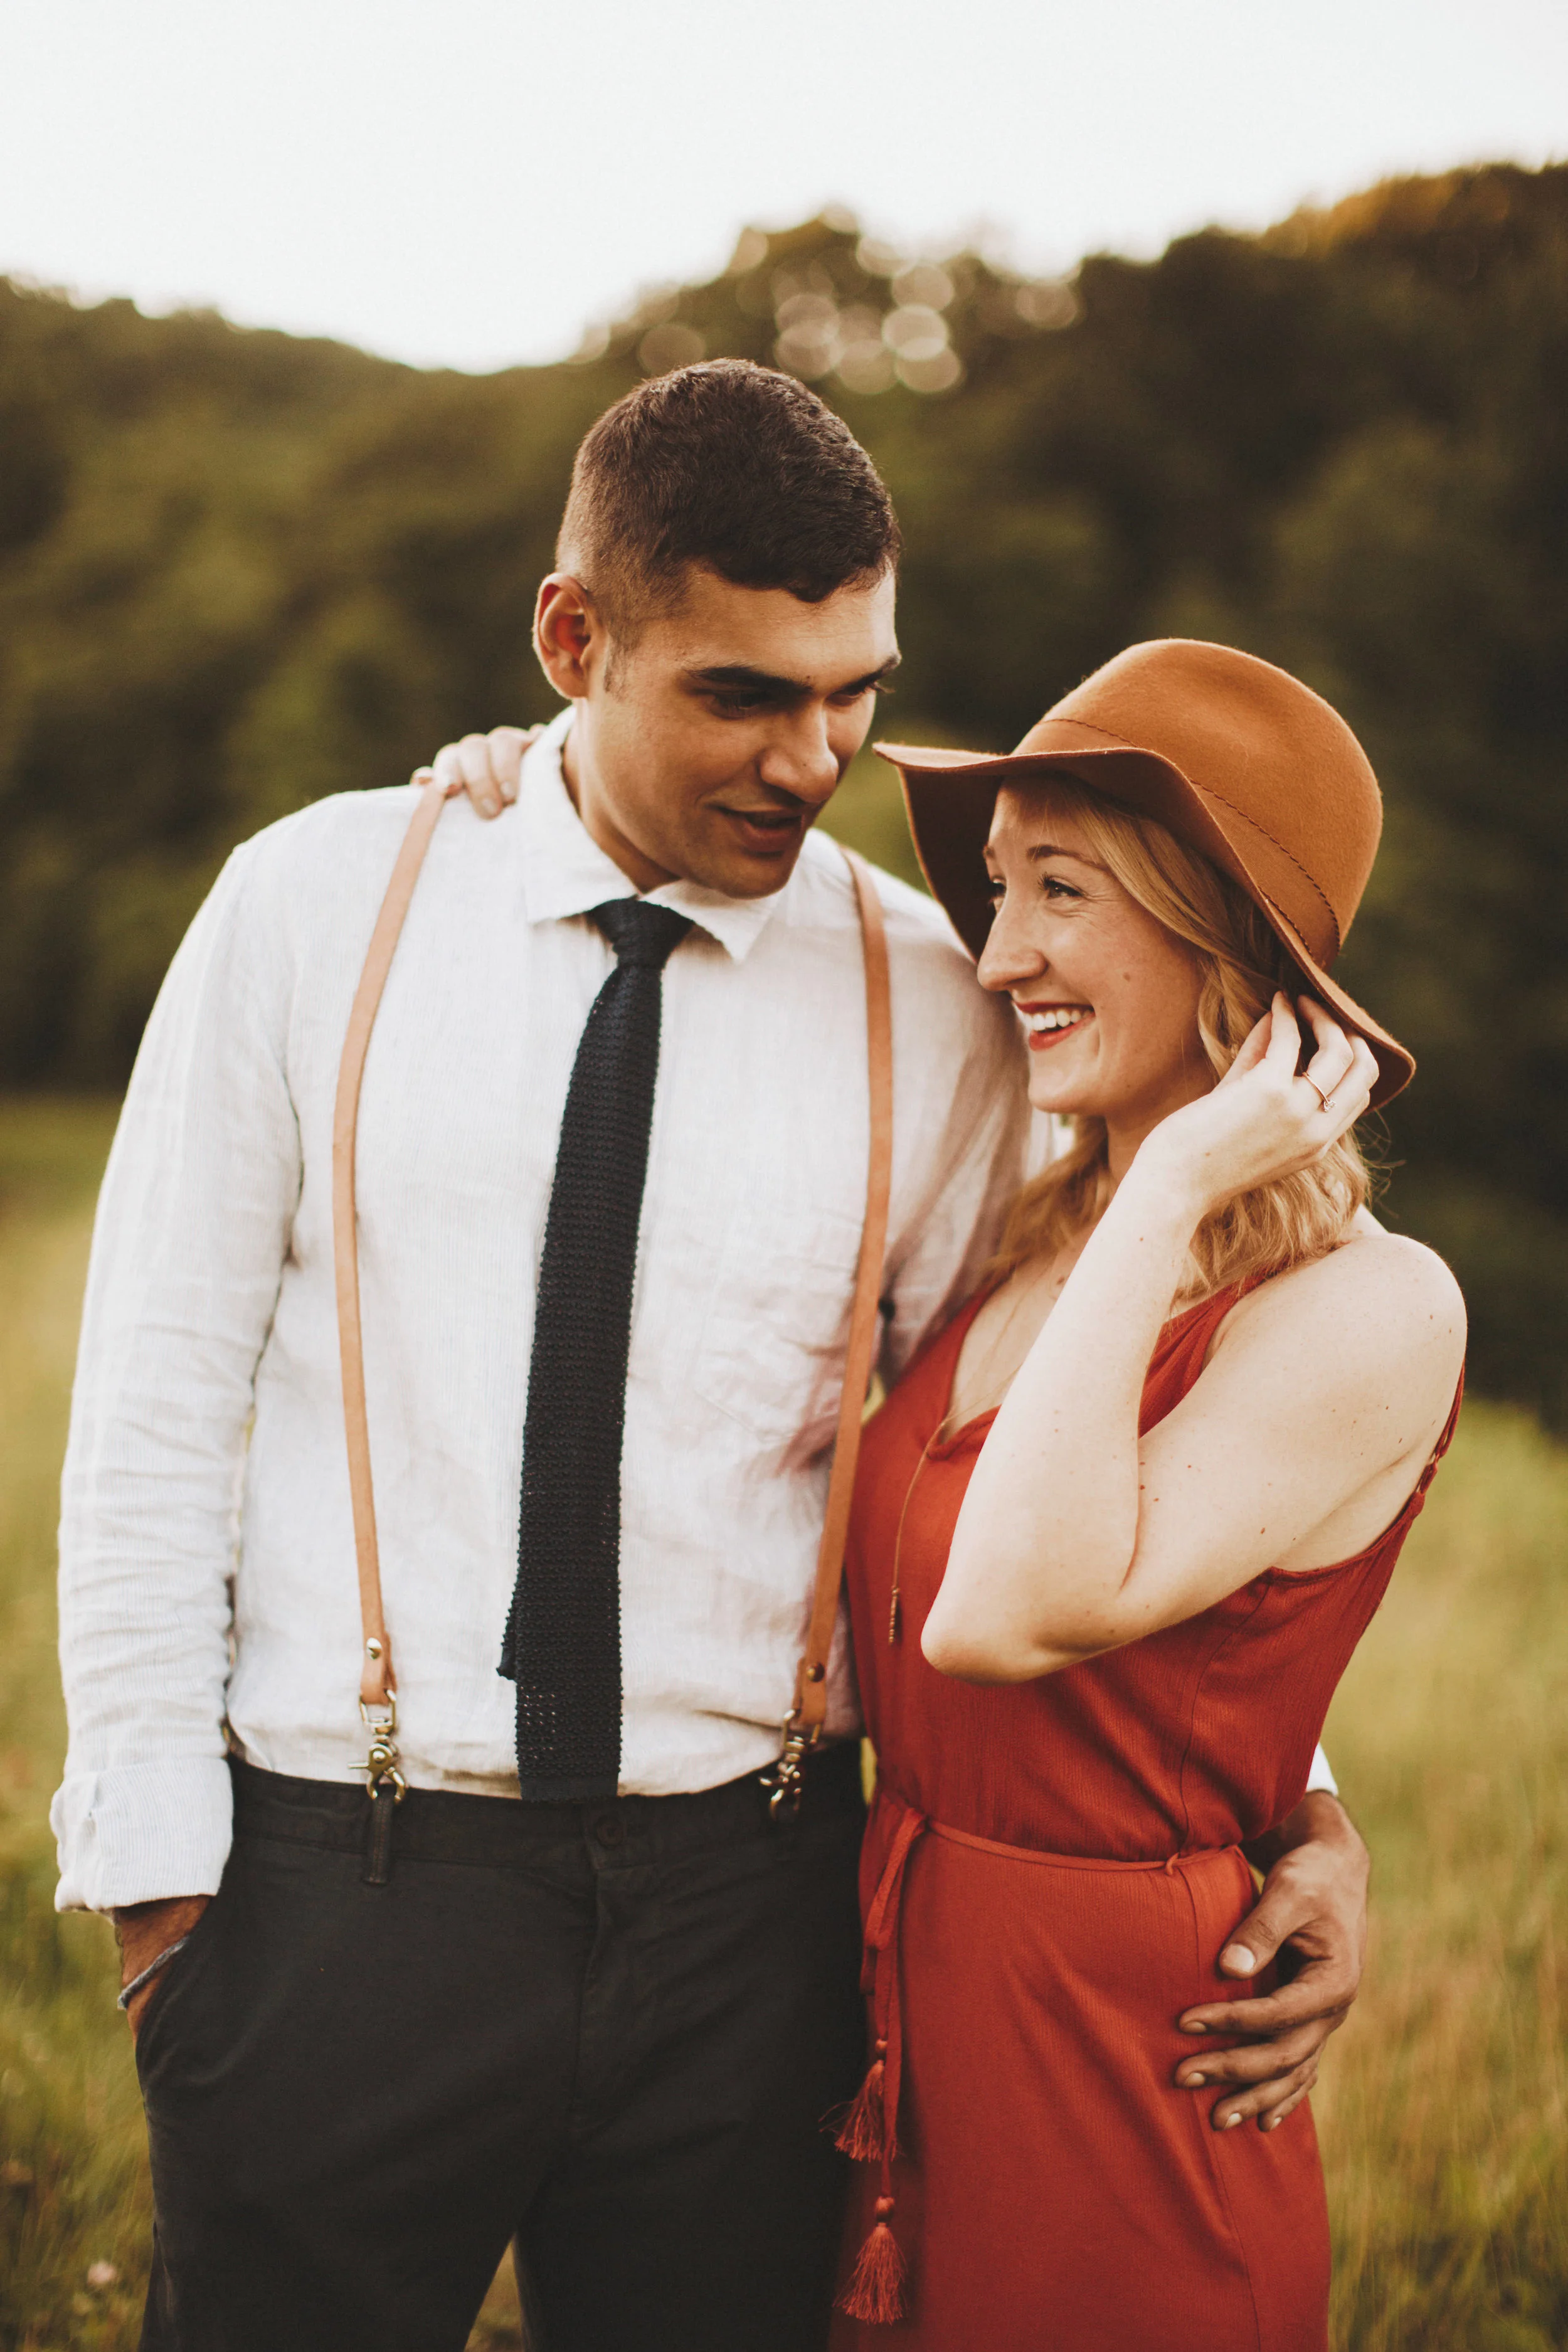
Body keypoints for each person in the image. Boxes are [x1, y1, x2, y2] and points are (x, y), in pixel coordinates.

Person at [55, 362, 1366, 2352]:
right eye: (743, 694)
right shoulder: (314, 910)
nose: (816, 756)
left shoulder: (930, 999)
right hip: (345, 1880)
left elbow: (1014, 1435)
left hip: (754, 1911)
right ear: (574, 640)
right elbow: (150, 1406)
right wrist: (168, 1914)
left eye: (855, 690)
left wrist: (1300, 1804)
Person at [817, 640, 1466, 2349]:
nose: (1000, 944)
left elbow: (1003, 1612)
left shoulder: (1370, 1305)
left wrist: (1177, 1169)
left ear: (1218, 941)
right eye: (994, 887)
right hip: (896, 2019)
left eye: (1058, 889)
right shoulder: (1028, 1243)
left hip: (1118, 2083)